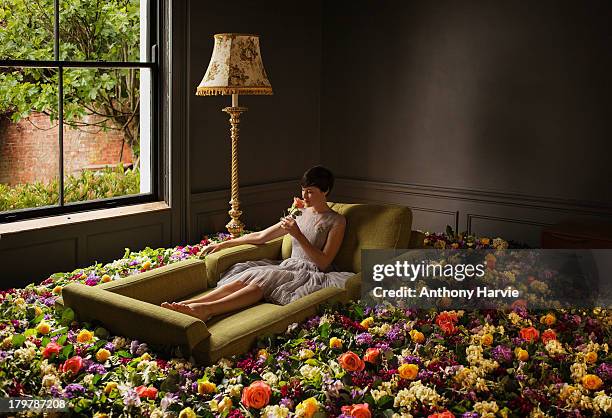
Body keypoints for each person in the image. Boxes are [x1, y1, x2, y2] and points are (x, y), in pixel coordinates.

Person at [161, 166, 353, 322]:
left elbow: (324, 262)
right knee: (247, 276)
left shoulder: (337, 221)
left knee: (263, 279)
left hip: (309, 273)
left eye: (310, 192)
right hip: (287, 266)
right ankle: (189, 304)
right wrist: (225, 245)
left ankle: (206, 310)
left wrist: (298, 235)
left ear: (325, 191)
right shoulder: (299, 212)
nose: (304, 196)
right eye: (303, 190)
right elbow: (262, 236)